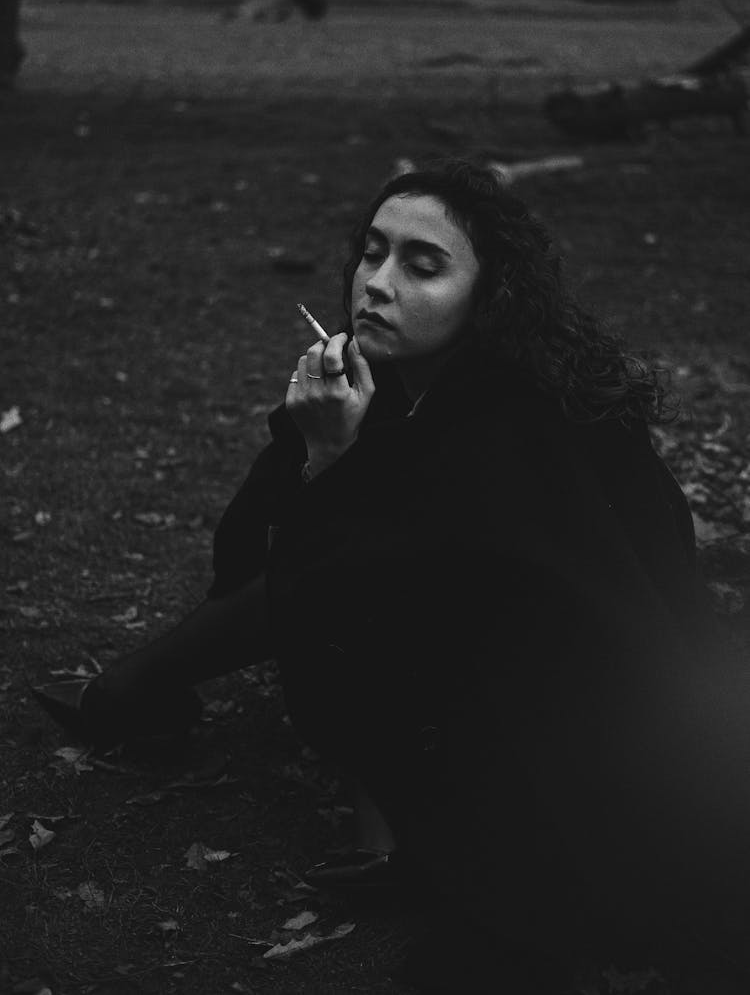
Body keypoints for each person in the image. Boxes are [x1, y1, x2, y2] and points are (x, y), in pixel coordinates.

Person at [33, 160, 749, 992]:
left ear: (492, 295)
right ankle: (142, 700)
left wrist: (333, 462)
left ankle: (150, 707)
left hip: (572, 731)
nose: (375, 283)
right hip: (473, 676)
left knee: (335, 590)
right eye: (373, 252)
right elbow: (294, 544)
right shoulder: (408, 387)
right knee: (325, 579)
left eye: (422, 264)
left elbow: (406, 591)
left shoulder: (522, 426)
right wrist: (323, 450)